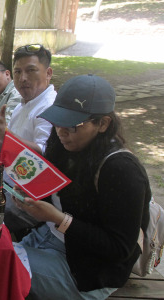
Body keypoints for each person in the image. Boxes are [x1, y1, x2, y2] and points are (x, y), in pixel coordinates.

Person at [14, 74, 151, 299]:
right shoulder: (62, 142)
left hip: (88, 270)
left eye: (73, 125)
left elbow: (120, 249)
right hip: (48, 238)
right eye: (57, 121)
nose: (61, 131)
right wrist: (32, 196)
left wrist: (59, 219)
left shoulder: (121, 169)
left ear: (103, 123)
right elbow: (57, 195)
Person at [0, 44, 56, 234]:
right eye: (18, 72)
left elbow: (42, 157)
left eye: (31, 71)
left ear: (48, 73)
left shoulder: (49, 107)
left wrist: (5, 133)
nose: (22, 78)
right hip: (7, 184)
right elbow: (8, 149)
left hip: (28, 200)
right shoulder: (26, 103)